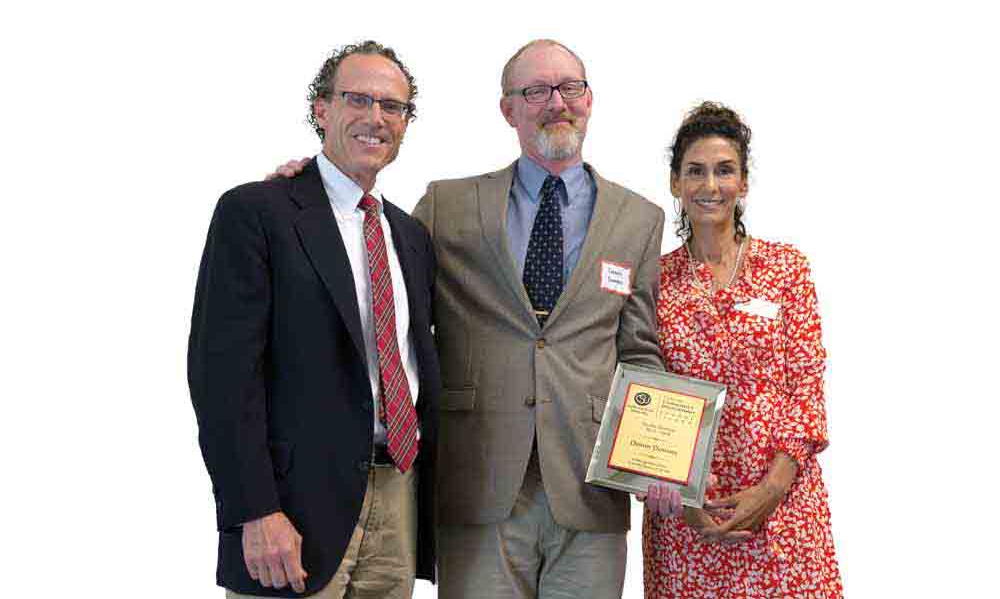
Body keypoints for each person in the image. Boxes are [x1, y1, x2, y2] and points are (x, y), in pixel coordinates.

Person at [270, 39, 682, 598]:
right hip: (477, 478)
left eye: (569, 88)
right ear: (507, 109)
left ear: (589, 100)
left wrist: (658, 456)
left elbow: (638, 349)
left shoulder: (640, 218)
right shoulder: (448, 205)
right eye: (534, 91)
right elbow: (371, 270)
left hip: (590, 483)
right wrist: (309, 189)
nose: (555, 102)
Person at [188, 40, 441, 598]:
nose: (375, 117)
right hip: (292, 509)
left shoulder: (410, 236)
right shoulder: (257, 213)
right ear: (321, 109)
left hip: (397, 495)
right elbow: (222, 380)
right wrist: (254, 511)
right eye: (358, 99)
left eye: (393, 106)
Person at [643, 101, 843, 598]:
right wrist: (683, 497)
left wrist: (771, 490)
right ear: (675, 184)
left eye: (724, 171)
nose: (710, 186)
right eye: (696, 172)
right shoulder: (653, 280)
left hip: (782, 507)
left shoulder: (786, 269)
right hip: (686, 516)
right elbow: (641, 389)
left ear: (744, 183)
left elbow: (806, 388)